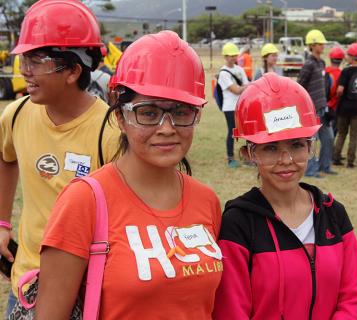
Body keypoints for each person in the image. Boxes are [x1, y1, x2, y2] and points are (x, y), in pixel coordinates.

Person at [36, 31, 223, 319]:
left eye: (182, 112)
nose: (167, 127)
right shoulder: (84, 200)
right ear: (121, 117)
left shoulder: (206, 200)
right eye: (148, 113)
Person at [213, 73, 357, 319]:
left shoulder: (333, 214)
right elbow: (232, 311)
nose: (286, 161)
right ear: (249, 154)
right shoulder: (238, 224)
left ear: (310, 147)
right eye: (271, 148)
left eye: (296, 145)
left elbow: (353, 299)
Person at [0, 0, 119, 316]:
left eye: (37, 60)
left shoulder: (109, 131)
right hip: (25, 284)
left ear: (73, 70)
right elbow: (6, 158)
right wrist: (2, 223)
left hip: (85, 290)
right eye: (24, 59)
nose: (25, 70)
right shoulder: (16, 115)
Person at [298, 29, 336, 178]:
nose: (323, 46)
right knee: (312, 141)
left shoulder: (322, 62)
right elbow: (300, 86)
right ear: (312, 45)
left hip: (322, 107)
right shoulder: (308, 64)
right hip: (311, 109)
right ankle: (311, 170)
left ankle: (325, 166)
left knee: (329, 138)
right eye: (320, 43)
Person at [333, 43, 357, 168]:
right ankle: (350, 161)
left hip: (344, 107)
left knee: (341, 133)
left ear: (351, 57)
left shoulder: (345, 71)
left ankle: (336, 158)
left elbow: (339, 90)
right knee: (354, 135)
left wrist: (340, 97)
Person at [218, 42, 249, 168]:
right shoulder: (223, 73)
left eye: (235, 55)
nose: (233, 57)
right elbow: (235, 90)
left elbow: (245, 86)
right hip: (230, 107)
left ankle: (248, 157)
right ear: (225, 56)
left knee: (247, 131)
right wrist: (245, 87)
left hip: (242, 106)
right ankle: (230, 158)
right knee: (232, 131)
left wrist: (244, 87)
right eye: (230, 55)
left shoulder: (240, 69)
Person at [325, 46, 344, 135]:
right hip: (336, 107)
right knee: (333, 133)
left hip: (324, 106)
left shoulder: (325, 71)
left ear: (330, 58)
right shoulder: (342, 74)